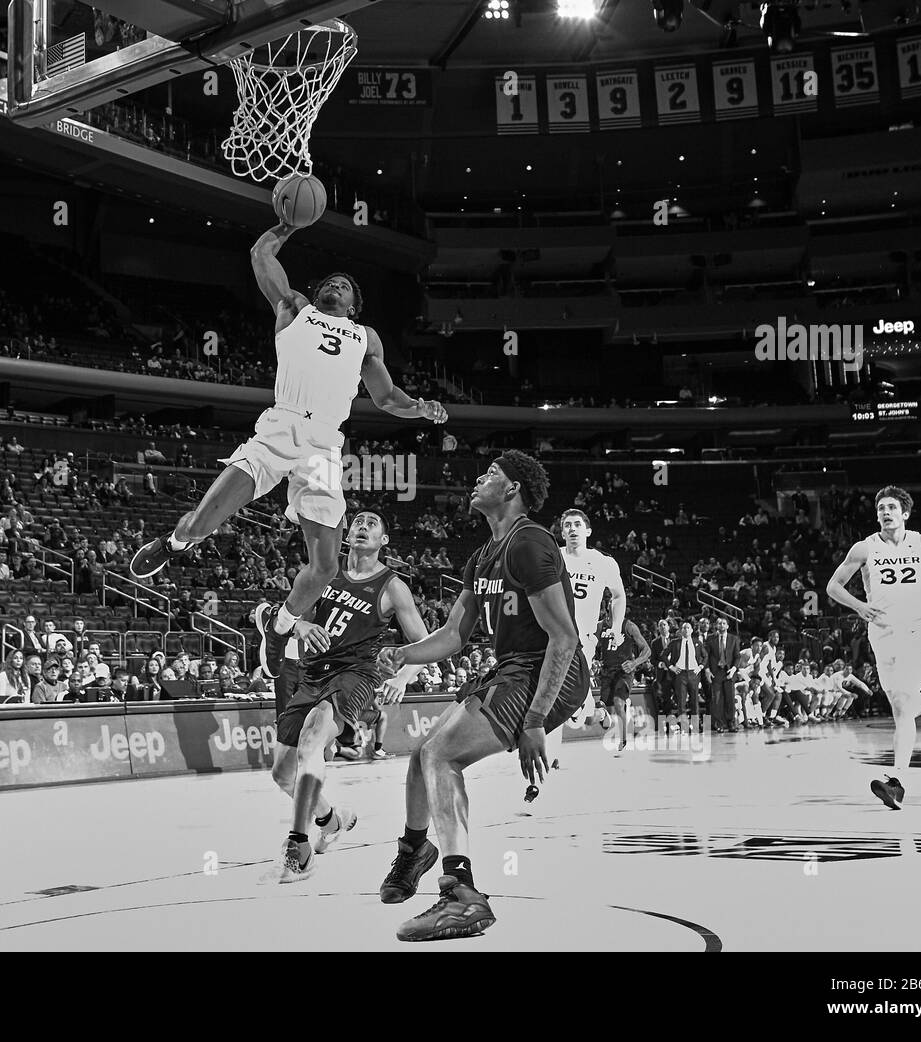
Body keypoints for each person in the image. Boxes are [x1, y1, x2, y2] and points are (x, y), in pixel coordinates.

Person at [130, 218, 446, 690]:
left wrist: (419, 407)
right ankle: (174, 544)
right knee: (200, 523)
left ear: (355, 306)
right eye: (330, 283)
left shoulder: (367, 339)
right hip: (280, 426)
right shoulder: (294, 307)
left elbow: (385, 398)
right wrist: (287, 223)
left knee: (326, 568)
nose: (336, 286)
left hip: (324, 445)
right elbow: (261, 256)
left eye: (346, 286)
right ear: (318, 294)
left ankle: (278, 626)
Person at [376, 451, 584, 942]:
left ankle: (461, 895)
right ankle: (414, 851)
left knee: (442, 757)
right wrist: (404, 653)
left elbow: (565, 638)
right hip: (512, 667)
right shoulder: (484, 554)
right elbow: (453, 634)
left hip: (547, 672)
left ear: (512, 489)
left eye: (491, 474)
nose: (478, 478)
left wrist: (534, 719)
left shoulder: (529, 543)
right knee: (423, 757)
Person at [259, 510, 429, 883]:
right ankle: (332, 820)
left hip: (354, 673)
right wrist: (300, 624)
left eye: (373, 523)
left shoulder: (391, 586)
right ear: (347, 533)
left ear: (384, 540)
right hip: (312, 673)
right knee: (283, 773)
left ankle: (298, 847)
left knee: (312, 742)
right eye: (358, 521)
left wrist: (403, 676)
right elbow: (284, 615)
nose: (363, 526)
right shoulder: (323, 570)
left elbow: (426, 643)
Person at [826, 485, 921, 810]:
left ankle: (895, 782)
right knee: (902, 706)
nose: (885, 512)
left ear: (905, 513)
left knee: (901, 706)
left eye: (892, 507)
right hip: (882, 635)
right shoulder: (864, 548)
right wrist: (858, 606)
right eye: (881, 508)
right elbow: (833, 586)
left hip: (915, 631)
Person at [557, 509, 625, 725]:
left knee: (576, 718)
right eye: (567, 525)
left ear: (588, 531)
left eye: (577, 524)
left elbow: (618, 595)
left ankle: (596, 713)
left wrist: (616, 627)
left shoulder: (603, 562)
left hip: (582, 639)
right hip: (551, 634)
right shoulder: (553, 557)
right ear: (562, 532)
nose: (572, 528)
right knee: (569, 711)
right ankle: (592, 711)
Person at [594, 610, 651, 752]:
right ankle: (608, 712)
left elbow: (647, 650)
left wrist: (635, 663)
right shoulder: (600, 626)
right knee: (601, 710)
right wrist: (593, 660)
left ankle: (624, 739)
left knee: (618, 703)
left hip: (624, 671)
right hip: (607, 672)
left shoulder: (629, 626)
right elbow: (589, 645)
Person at [664, 621, 706, 734]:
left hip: (693, 674)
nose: (686, 629)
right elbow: (663, 655)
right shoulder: (674, 643)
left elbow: (705, 656)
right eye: (684, 628)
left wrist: (700, 666)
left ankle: (696, 725)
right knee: (681, 702)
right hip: (680, 674)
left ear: (692, 630)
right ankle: (684, 726)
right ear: (681, 630)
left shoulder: (697, 642)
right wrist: (671, 667)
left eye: (688, 627)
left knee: (694, 701)